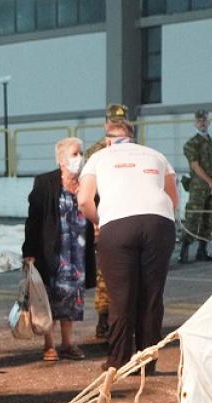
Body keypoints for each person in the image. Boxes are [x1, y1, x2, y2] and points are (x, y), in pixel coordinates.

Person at [77, 119, 179, 372]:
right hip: (159, 224)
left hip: (118, 225)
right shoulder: (157, 155)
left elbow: (83, 200)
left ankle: (119, 360)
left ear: (108, 139)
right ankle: (147, 362)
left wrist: (99, 221)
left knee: (121, 297)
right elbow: (173, 199)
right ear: (133, 137)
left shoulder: (100, 157)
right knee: (151, 296)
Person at [21, 137, 95, 362]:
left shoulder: (87, 182)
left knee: (73, 297)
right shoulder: (45, 183)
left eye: (81, 153)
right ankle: (49, 344)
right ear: (61, 160)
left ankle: (68, 343)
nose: (80, 158)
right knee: (49, 297)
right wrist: (29, 250)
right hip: (52, 250)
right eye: (74, 154)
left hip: (78, 252)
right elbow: (33, 219)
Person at [83, 103, 129, 340]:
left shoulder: (135, 150)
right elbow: (87, 188)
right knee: (105, 272)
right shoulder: (95, 152)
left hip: (128, 215)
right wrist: (94, 218)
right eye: (113, 122)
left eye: (120, 122)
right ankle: (103, 319)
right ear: (105, 125)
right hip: (104, 216)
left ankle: (121, 319)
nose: (116, 126)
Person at [179, 109, 212, 264]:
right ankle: (184, 250)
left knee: (210, 218)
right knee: (193, 218)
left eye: (204, 120)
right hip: (198, 188)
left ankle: (202, 250)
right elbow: (195, 165)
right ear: (194, 123)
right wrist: (210, 181)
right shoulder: (191, 144)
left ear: (209, 122)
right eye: (199, 121)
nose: (202, 123)